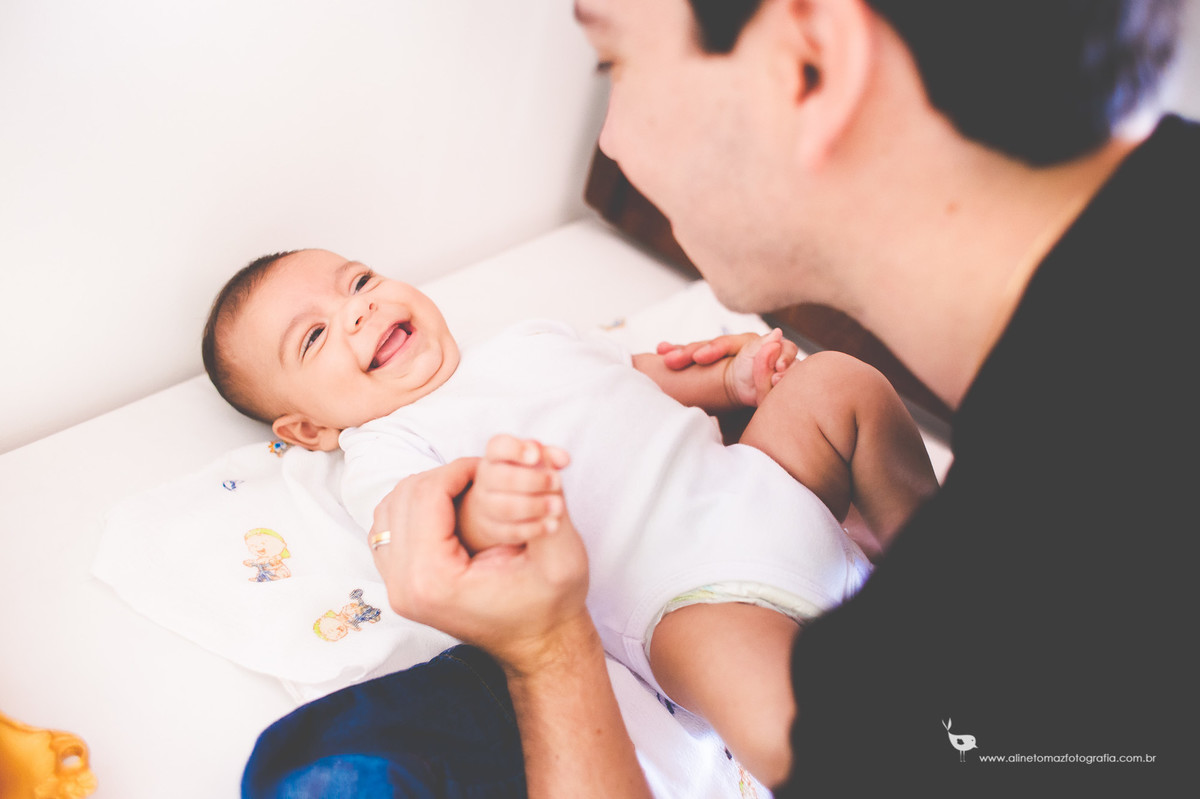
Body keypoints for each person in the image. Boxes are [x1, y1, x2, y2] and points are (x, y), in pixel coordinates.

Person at [364, 0, 1194, 794]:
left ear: (810, 64)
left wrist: (546, 649)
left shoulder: (974, 694)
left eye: (612, 60)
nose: (610, 141)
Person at [202, 247, 938, 785]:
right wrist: (490, 510)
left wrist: (733, 377)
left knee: (841, 382)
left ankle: (944, 565)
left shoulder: (532, 338)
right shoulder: (382, 448)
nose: (356, 307)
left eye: (358, 281)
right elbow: (435, 527)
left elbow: (645, 373)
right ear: (305, 430)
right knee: (792, 722)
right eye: (317, 335)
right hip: (692, 599)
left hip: (764, 478)